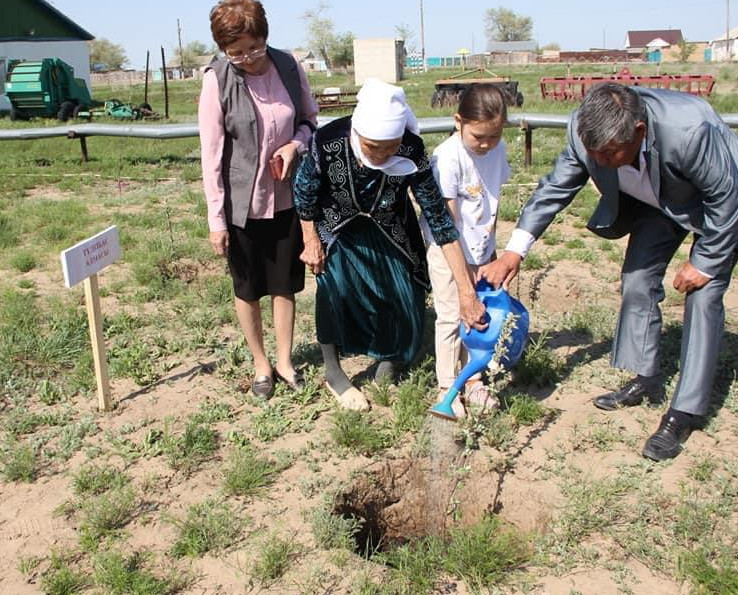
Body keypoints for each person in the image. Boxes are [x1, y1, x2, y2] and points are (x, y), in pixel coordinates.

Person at [481, 82, 738, 462]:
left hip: (713, 203)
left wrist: (703, 262)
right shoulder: (583, 132)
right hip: (655, 202)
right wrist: (514, 251)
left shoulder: (691, 130)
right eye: (593, 153)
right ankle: (646, 378)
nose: (599, 161)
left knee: (703, 296)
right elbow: (554, 189)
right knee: (637, 280)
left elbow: (726, 196)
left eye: (609, 153)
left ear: (639, 131)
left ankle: (685, 412)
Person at [293, 78, 487, 411]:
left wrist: (467, 293)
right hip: (336, 222)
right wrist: (310, 239)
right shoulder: (326, 142)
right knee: (333, 288)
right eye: (373, 147)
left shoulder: (411, 148)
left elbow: (440, 220)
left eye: (390, 146)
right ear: (357, 134)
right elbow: (304, 191)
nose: (383, 155)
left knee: (402, 292)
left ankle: (388, 355)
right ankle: (333, 371)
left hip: (389, 223)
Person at [198, 0, 318, 398]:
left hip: (287, 199)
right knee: (247, 287)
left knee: (284, 284)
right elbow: (211, 155)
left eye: (254, 48)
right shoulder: (217, 80)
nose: (247, 59)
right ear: (223, 49)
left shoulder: (287, 66)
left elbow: (308, 121)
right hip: (241, 206)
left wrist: (293, 147)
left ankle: (285, 359)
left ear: (265, 37)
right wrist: (217, 220)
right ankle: (261, 364)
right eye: (235, 53)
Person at [422, 84, 511, 418]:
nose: (487, 144)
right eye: (479, 137)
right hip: (448, 251)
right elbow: (448, 225)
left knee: (478, 314)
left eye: (495, 135)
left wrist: (491, 253)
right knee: (451, 315)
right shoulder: (447, 158)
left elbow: (493, 204)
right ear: (458, 121)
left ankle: (473, 378)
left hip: (481, 247)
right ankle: (448, 386)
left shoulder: (496, 152)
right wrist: (464, 276)